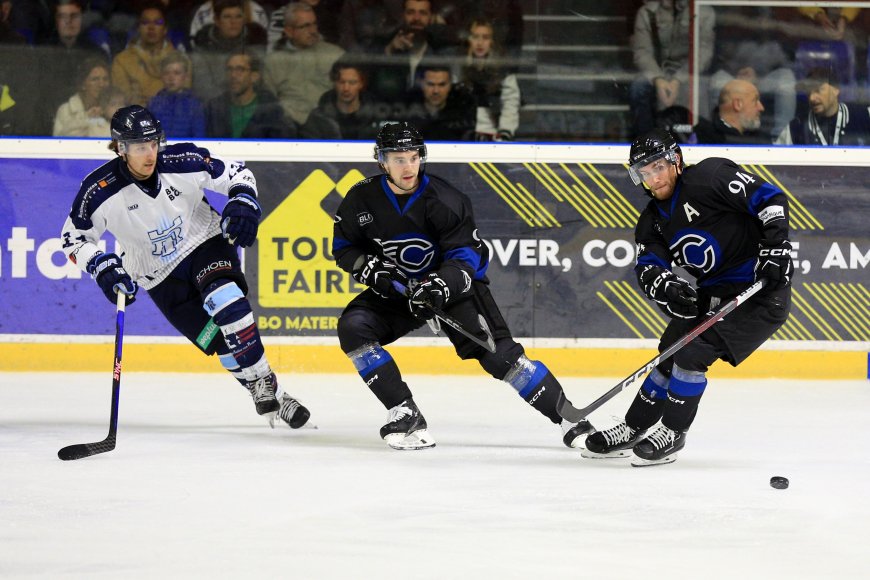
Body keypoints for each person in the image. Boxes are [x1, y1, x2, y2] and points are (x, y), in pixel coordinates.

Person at [331, 122, 592, 450]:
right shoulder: (361, 199)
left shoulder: (445, 199)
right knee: (354, 328)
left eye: (413, 157)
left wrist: (441, 284)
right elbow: (344, 247)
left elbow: (467, 258)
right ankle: (405, 413)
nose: (407, 166)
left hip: (452, 290)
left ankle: (571, 418)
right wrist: (370, 269)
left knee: (500, 357)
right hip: (400, 292)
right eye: (398, 159)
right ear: (382, 161)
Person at [60, 105, 311, 430]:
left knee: (226, 302)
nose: (149, 154)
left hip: (204, 243)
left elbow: (238, 174)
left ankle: (260, 380)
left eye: (153, 143)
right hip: (157, 276)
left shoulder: (183, 161)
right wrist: (102, 265)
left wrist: (244, 201)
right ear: (120, 147)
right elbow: (72, 239)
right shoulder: (99, 189)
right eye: (139, 146)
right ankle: (275, 394)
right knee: (219, 342)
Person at [582, 129, 792, 466]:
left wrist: (776, 247)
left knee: (692, 352)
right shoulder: (652, 221)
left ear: (676, 161)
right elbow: (648, 268)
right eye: (644, 173)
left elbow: (770, 199)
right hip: (714, 295)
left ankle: (672, 433)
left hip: (760, 295)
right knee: (669, 352)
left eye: (657, 168)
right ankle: (634, 427)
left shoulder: (710, 177)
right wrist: (665, 286)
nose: (652, 179)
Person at [629, 0, 715, 138]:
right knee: (638, 87)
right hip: (656, 73)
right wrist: (658, 79)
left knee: (701, 88)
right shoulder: (647, 12)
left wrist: (678, 79)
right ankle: (645, 144)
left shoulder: (703, 12)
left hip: (690, 73)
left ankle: (701, 141)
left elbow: (704, 53)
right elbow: (642, 52)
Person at [263, 2, 344, 126]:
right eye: (305, 26)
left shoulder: (335, 55)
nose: (312, 31)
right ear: (289, 31)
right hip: (289, 126)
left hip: (328, 124)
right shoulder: (273, 61)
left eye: (314, 24)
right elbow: (268, 104)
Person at [367, 0, 453, 102]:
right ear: (403, 15)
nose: (416, 18)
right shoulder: (385, 42)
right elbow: (368, 79)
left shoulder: (439, 49)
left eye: (423, 13)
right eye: (411, 12)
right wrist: (390, 50)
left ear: (431, 17)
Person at [205, 48, 297, 138]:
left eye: (240, 69)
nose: (233, 75)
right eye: (229, 69)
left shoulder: (271, 109)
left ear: (254, 76)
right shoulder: (214, 108)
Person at [190, 0, 267, 104]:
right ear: (216, 20)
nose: (233, 22)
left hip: (252, 108)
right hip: (216, 109)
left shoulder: (256, 43)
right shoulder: (202, 47)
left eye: (238, 16)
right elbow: (203, 90)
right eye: (227, 17)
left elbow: (261, 83)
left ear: (244, 19)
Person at [458, 17, 520, 141]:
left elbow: (510, 104)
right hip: (463, 134)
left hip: (493, 135)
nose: (480, 43)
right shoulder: (459, 68)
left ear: (492, 41)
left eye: (485, 37)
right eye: (475, 37)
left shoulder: (503, 71)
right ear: (469, 40)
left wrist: (505, 132)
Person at [775, 67, 870, 146]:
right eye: (808, 92)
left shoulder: (864, 116)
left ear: (836, 90)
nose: (812, 98)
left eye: (818, 90)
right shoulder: (796, 127)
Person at [111, 4, 178, 106]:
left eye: (158, 22)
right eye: (145, 22)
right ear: (138, 28)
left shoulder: (179, 60)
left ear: (165, 29)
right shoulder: (121, 60)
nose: (151, 27)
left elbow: (183, 99)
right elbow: (123, 101)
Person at [301, 59, 384, 139]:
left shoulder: (376, 116)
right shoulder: (317, 118)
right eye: (341, 82)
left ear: (361, 84)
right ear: (334, 83)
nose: (346, 88)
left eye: (352, 83)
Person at [403, 61, 476, 141]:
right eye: (431, 84)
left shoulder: (461, 115)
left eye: (442, 85)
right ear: (422, 84)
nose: (436, 91)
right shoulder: (407, 111)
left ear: (450, 85)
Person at [148, 52, 206, 137]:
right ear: (161, 76)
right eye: (166, 73)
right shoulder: (153, 104)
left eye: (177, 73)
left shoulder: (195, 106)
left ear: (185, 76)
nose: (171, 78)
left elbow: (199, 137)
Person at [691, 79, 767, 144]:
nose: (761, 108)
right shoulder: (703, 137)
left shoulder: (762, 138)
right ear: (738, 104)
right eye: (755, 101)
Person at [52, 56, 112, 137]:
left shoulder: (114, 110)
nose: (101, 84)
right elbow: (59, 143)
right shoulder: (66, 110)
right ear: (83, 84)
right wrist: (86, 120)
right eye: (95, 79)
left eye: (105, 79)